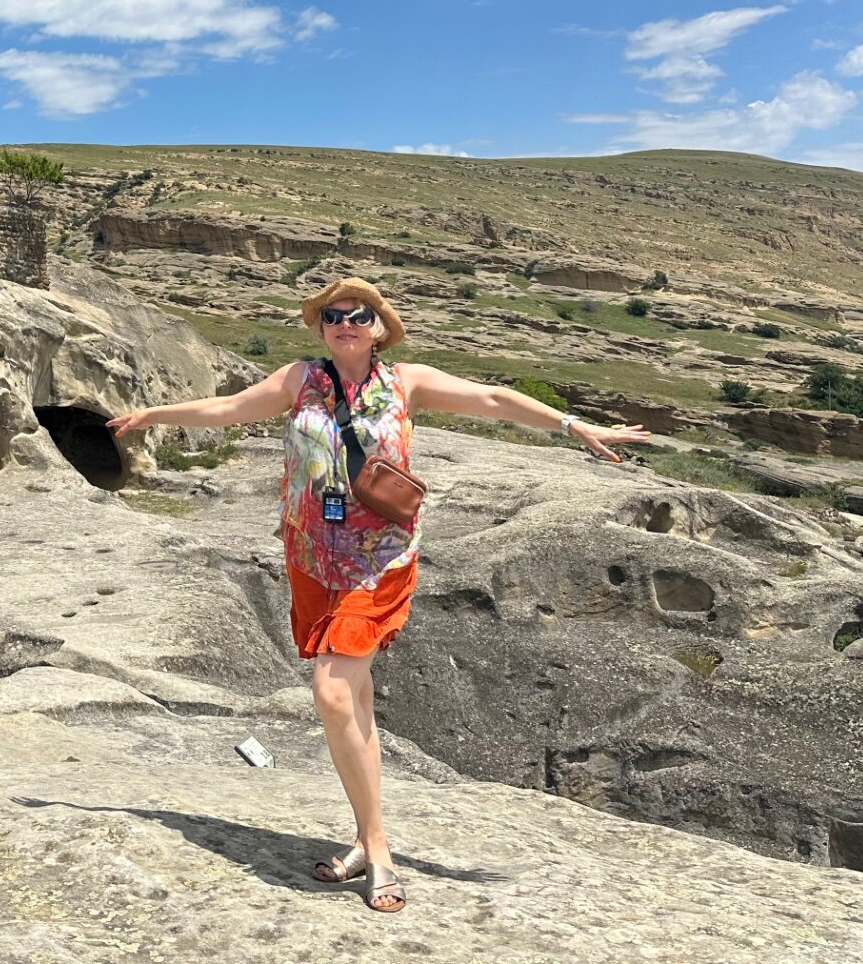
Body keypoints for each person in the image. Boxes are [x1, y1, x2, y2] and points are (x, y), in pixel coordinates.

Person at [109, 277, 649, 914]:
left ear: (379, 328)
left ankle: (379, 847)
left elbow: (494, 399)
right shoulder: (299, 380)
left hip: (379, 561)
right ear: (321, 328)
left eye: (358, 315)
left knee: (332, 692)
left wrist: (573, 424)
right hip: (313, 558)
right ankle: (367, 839)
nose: (344, 323)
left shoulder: (405, 383)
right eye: (332, 315)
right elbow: (229, 409)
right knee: (355, 703)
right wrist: (154, 416)